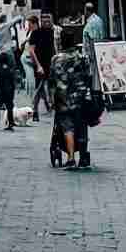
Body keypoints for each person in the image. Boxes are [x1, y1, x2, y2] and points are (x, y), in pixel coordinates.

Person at [50, 20, 98, 172]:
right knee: (82, 126)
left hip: (63, 98)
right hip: (81, 97)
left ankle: (70, 158)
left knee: (67, 128)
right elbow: (89, 76)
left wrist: (52, 99)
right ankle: (83, 157)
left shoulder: (56, 59)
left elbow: (52, 80)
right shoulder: (82, 58)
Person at [26, 10, 57, 123]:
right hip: (40, 65)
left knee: (51, 87)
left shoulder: (51, 32)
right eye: (44, 21)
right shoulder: (36, 33)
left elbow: (53, 48)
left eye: (48, 21)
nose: (46, 23)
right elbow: (31, 51)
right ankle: (35, 111)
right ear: (41, 22)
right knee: (39, 89)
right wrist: (38, 65)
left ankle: (51, 106)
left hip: (50, 64)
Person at [0, 38, 19, 132]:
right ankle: (10, 123)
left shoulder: (1, 72)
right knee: (9, 107)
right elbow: (13, 83)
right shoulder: (10, 71)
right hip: (9, 91)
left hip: (2, 91)